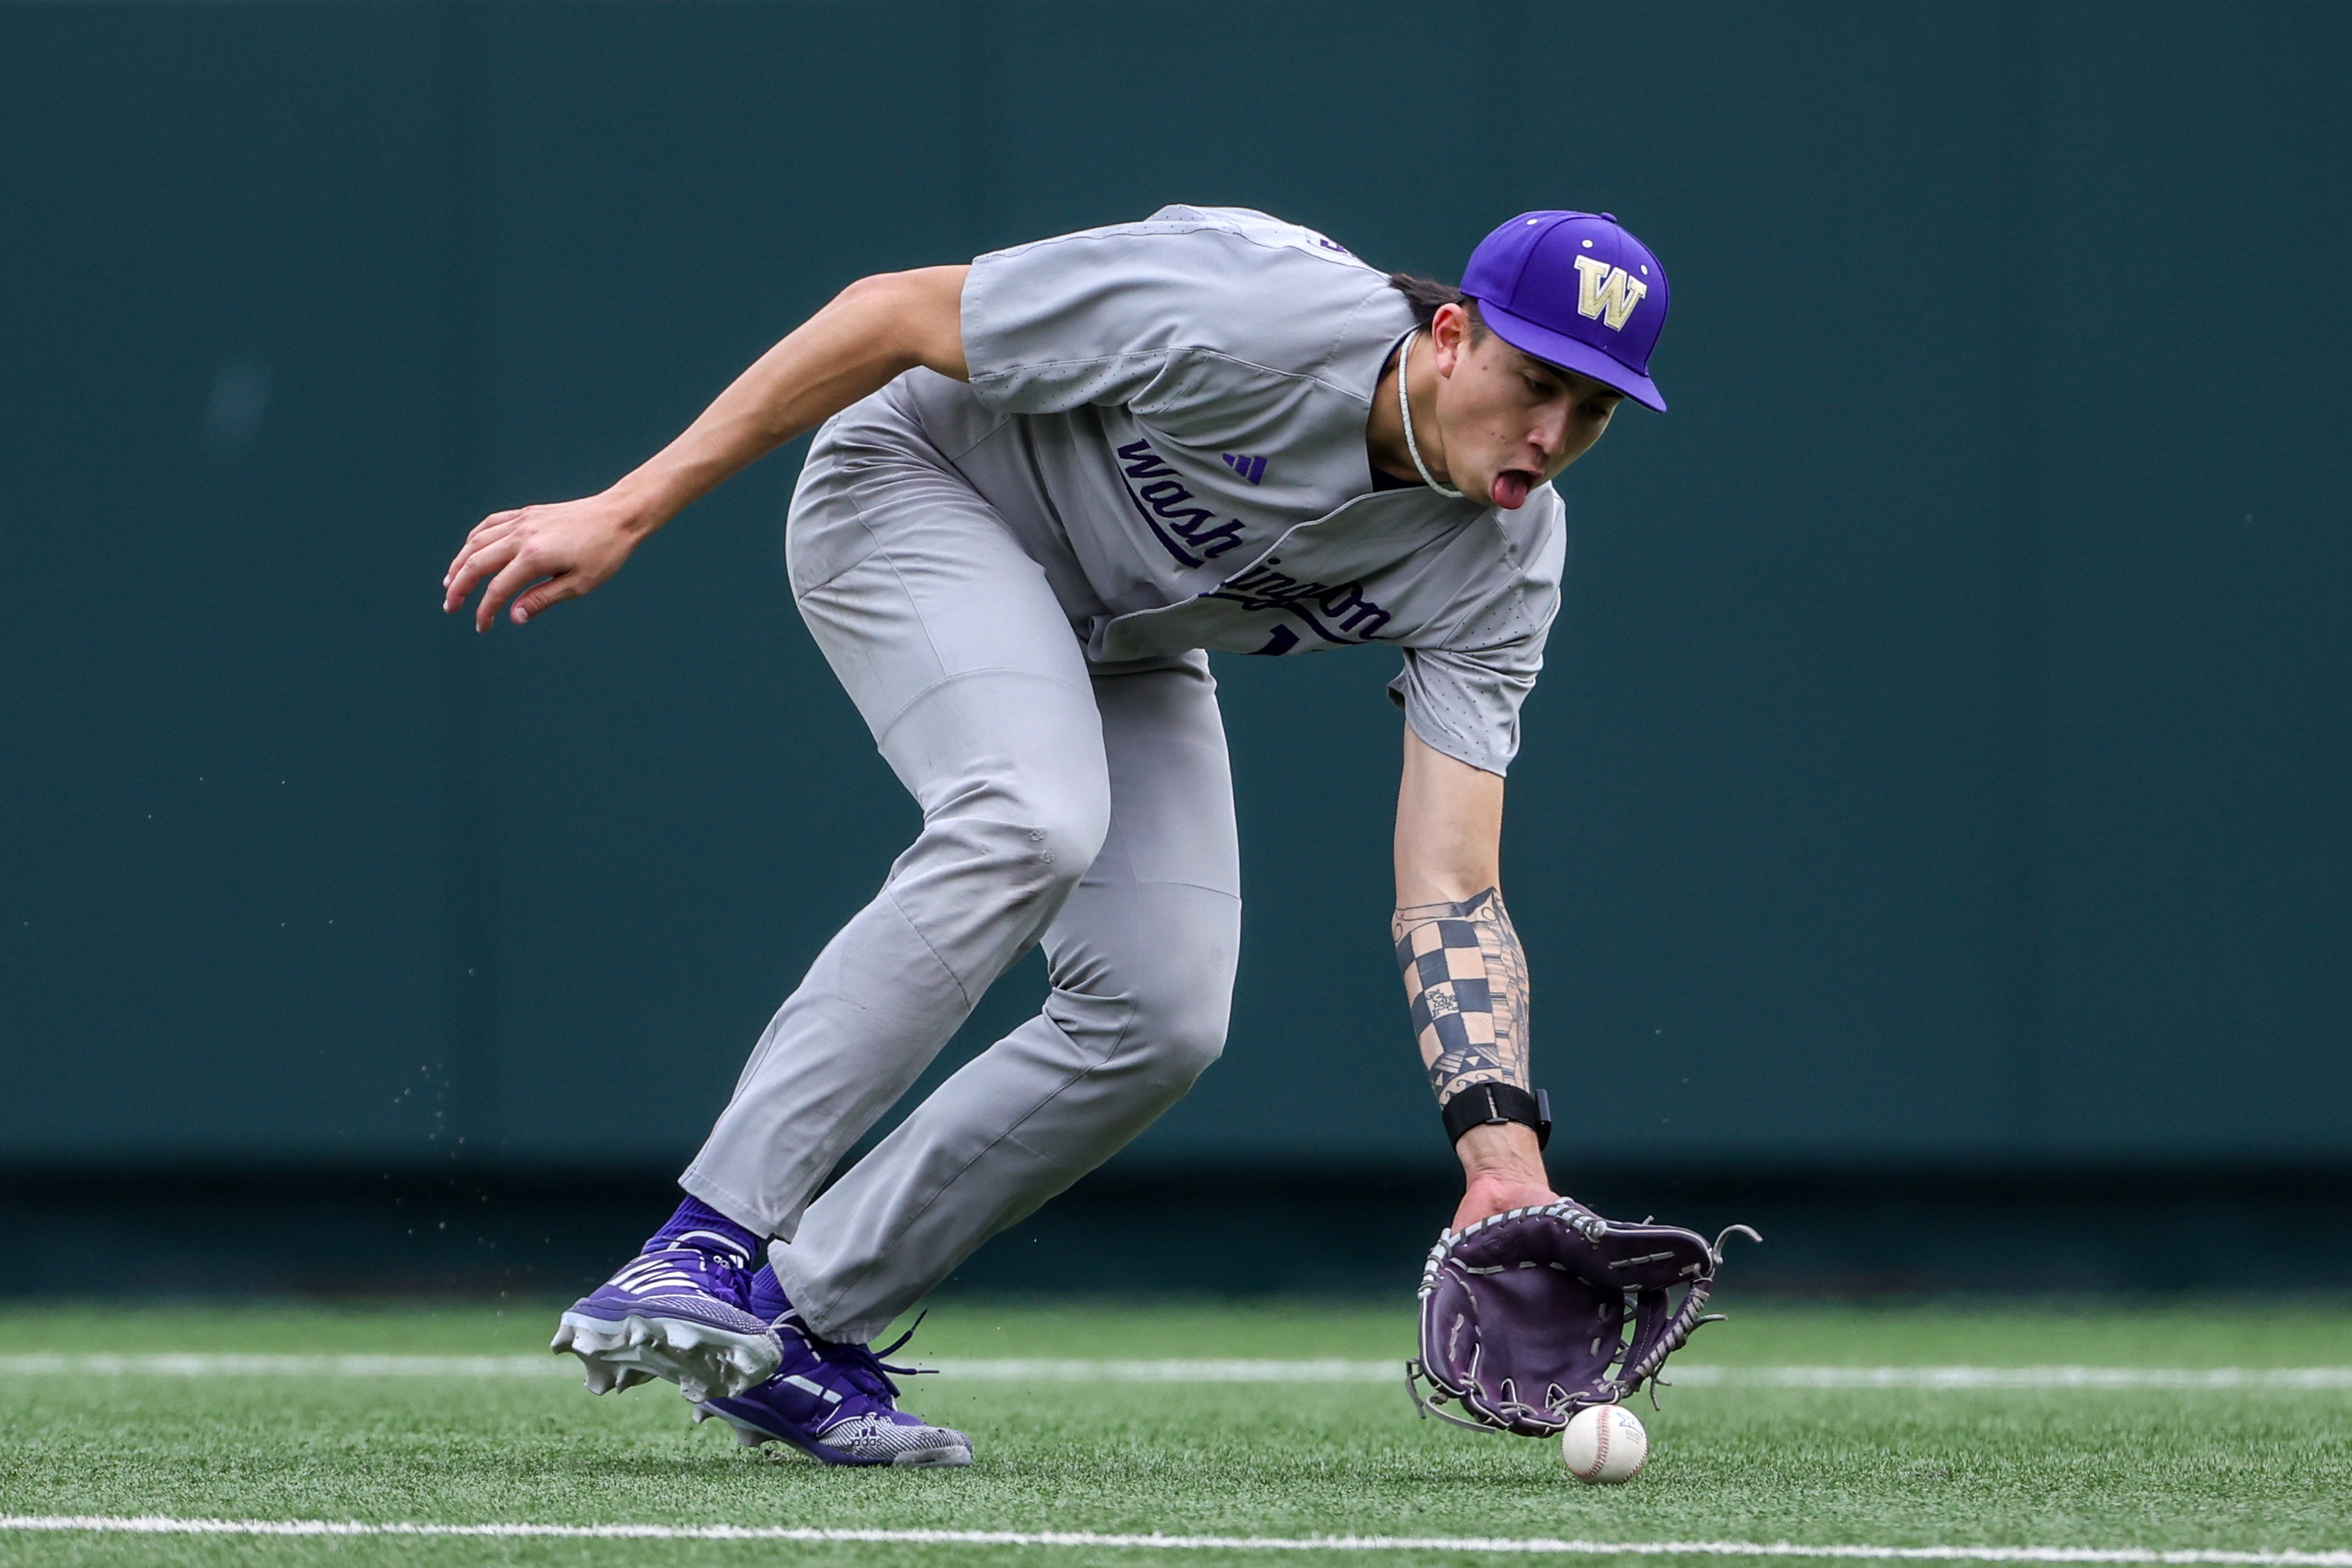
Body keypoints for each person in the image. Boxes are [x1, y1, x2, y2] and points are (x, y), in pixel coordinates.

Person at [441, 205, 1670, 1468]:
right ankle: (699, 1242)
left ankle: (800, 1321)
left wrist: (1501, 1157)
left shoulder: (1506, 558)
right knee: (1029, 813)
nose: (1552, 434)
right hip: (919, 488)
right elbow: (888, 311)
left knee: (1165, 1009)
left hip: (1121, 629)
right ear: (1453, 336)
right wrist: (627, 508)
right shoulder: (1252, 310)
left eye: (1595, 411)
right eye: (1538, 383)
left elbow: (1454, 877)